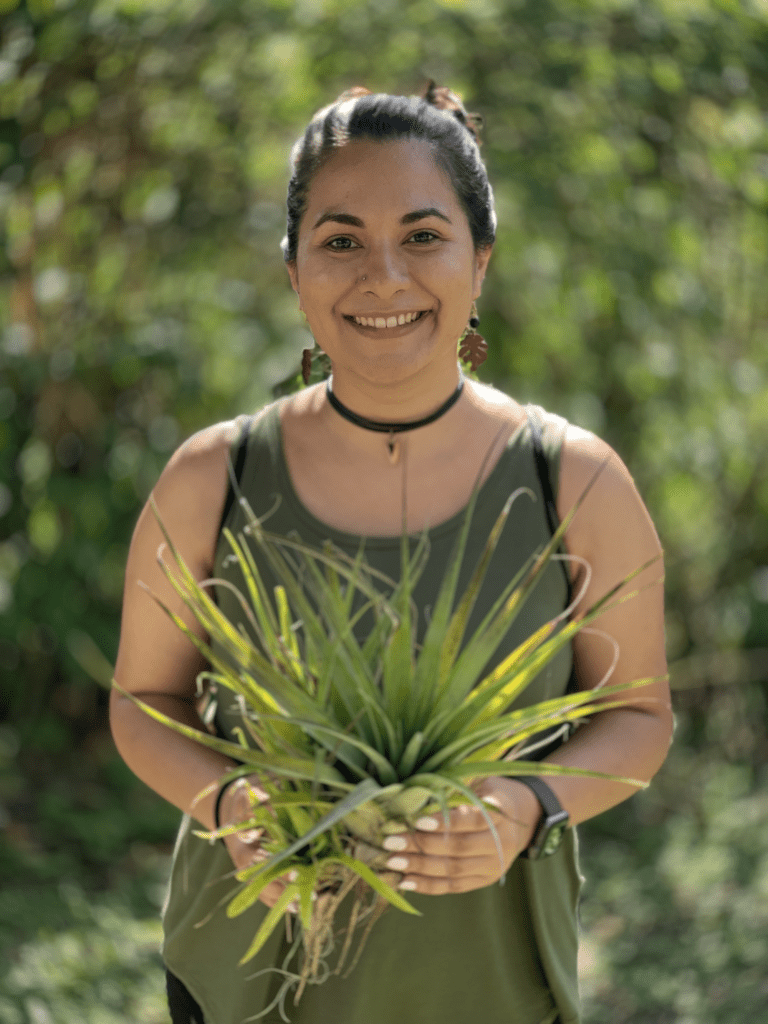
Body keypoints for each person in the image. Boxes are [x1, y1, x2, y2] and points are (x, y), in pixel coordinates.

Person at [111, 84, 673, 1024]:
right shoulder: (214, 475)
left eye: (422, 236)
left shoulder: (571, 479)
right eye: (340, 242)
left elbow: (640, 717)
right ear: (293, 270)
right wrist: (227, 803)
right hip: (247, 982)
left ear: (480, 262)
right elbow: (142, 704)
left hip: (491, 982)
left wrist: (529, 802)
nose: (384, 277)